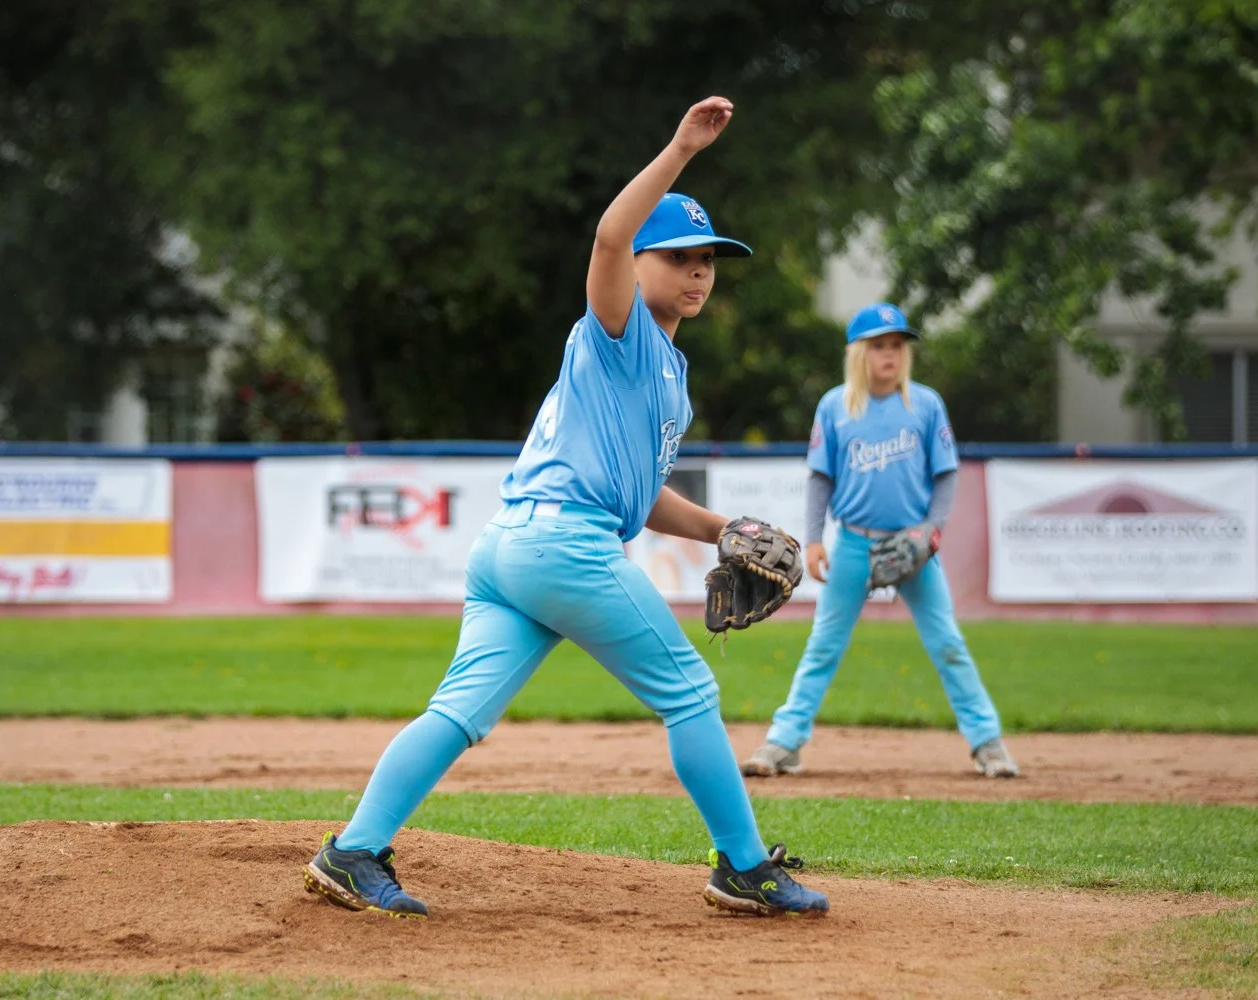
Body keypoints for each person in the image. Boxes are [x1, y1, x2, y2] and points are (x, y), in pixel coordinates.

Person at [302, 96, 829, 920]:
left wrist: (720, 527)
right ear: (643, 266)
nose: (698, 270)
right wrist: (681, 149)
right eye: (680, 255)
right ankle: (744, 868)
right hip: (560, 546)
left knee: (459, 711)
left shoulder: (668, 376)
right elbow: (611, 237)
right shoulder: (617, 330)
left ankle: (352, 852)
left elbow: (639, 495)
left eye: (709, 259)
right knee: (690, 694)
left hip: (512, 547)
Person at [741, 303, 1020, 780]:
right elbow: (819, 480)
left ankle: (987, 742)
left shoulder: (925, 404)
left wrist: (931, 530)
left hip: (913, 544)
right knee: (823, 645)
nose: (890, 354)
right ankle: (784, 742)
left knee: (948, 643)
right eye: (879, 346)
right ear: (859, 353)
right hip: (852, 542)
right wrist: (812, 541)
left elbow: (946, 476)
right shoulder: (836, 405)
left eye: (897, 345)